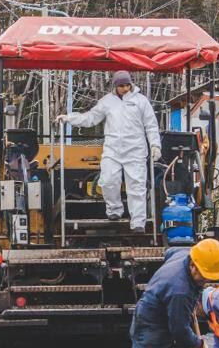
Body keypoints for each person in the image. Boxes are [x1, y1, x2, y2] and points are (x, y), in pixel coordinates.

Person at [56, 70, 161, 233]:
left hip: (136, 150)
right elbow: (90, 118)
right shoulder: (107, 102)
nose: (125, 89)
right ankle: (114, 210)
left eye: (127, 85)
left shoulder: (141, 101)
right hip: (113, 150)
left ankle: (138, 222)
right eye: (121, 86)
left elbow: (151, 125)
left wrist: (155, 145)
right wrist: (69, 118)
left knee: (137, 186)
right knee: (107, 181)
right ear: (115, 86)